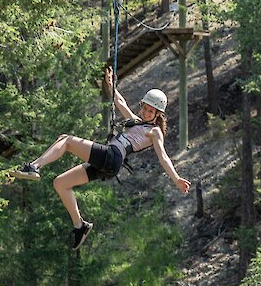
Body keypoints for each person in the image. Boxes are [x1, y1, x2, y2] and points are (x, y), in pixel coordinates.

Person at [12, 67, 192, 250]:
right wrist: (110, 83)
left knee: (65, 140)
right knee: (60, 183)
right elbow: (119, 102)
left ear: (158, 114)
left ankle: (34, 166)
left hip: (112, 156)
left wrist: (176, 178)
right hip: (110, 164)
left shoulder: (154, 132)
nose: (146, 113)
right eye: (145, 108)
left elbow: (163, 157)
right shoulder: (138, 123)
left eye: (150, 111)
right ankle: (80, 225)